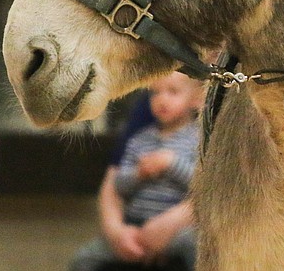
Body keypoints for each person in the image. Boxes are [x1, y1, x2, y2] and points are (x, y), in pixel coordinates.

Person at [70, 72, 205, 271]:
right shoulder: (139, 140)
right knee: (84, 258)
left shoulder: (197, 140)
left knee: (194, 246)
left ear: (196, 100)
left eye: (173, 92)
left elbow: (200, 185)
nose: (162, 100)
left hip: (179, 229)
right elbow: (119, 184)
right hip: (134, 225)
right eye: (155, 93)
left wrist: (171, 164)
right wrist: (137, 174)